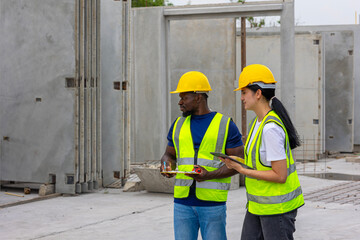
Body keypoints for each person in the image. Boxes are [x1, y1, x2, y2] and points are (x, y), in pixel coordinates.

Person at [220, 64, 304, 240]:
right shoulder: (258, 123)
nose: (241, 97)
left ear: (258, 93)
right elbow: (259, 161)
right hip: (257, 206)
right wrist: (237, 161)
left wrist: (242, 170)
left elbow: (280, 175)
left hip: (277, 209)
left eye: (244, 92)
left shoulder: (270, 128)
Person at [160, 71, 244, 240]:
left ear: (198, 97)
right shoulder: (178, 124)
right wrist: (166, 165)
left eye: (184, 97)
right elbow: (169, 154)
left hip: (212, 205)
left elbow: (239, 163)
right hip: (182, 204)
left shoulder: (225, 124)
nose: (180, 102)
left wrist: (209, 175)